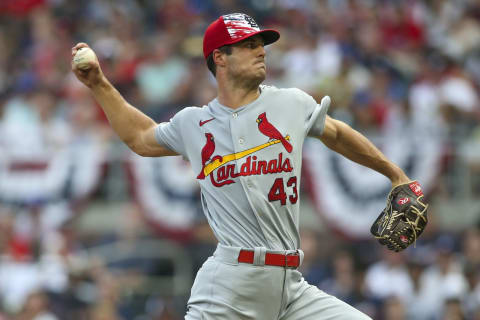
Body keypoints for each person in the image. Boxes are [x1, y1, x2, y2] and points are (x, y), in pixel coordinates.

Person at [72, 12, 413, 320]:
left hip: (291, 287)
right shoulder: (195, 123)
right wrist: (99, 84)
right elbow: (140, 137)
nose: (261, 51)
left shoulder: (290, 102)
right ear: (220, 57)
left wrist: (394, 173)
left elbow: (337, 134)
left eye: (260, 44)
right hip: (231, 286)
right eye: (248, 45)